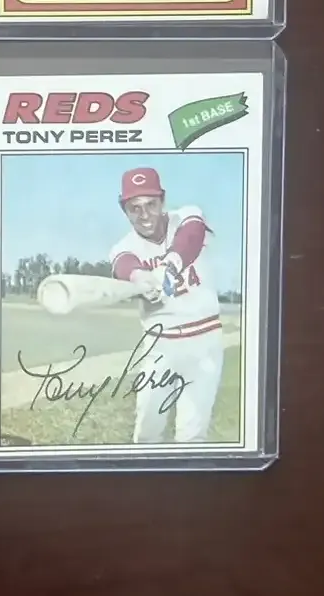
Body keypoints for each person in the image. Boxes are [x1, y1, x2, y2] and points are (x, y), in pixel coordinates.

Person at [108, 168, 225, 445]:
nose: (144, 214)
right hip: (159, 348)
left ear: (163, 201)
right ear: (124, 210)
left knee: (191, 436)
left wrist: (169, 266)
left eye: (151, 204)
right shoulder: (123, 247)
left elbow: (193, 233)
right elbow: (123, 264)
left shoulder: (186, 217)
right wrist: (139, 277)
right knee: (146, 432)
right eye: (134, 208)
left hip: (204, 343)